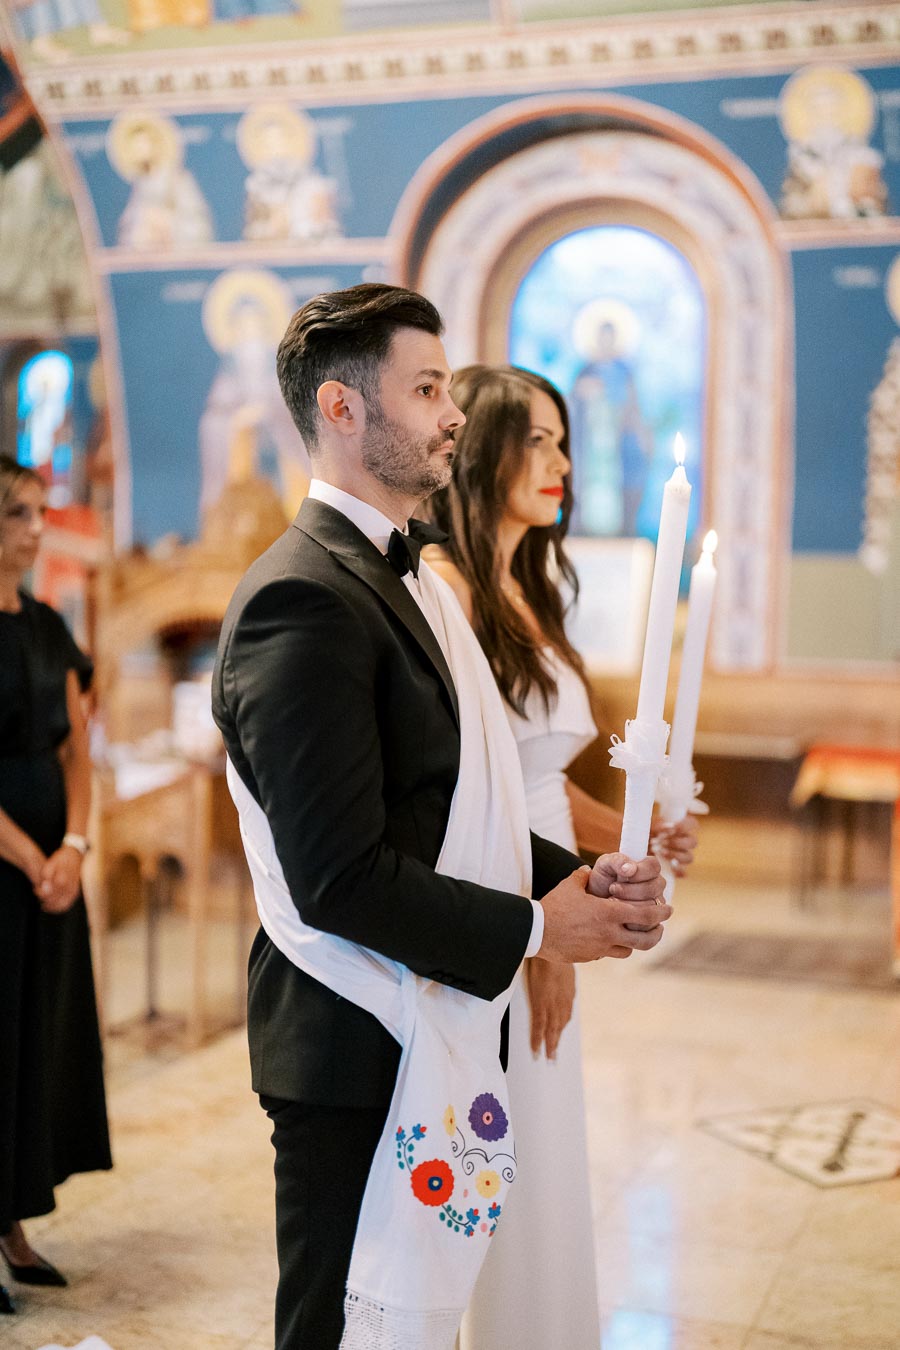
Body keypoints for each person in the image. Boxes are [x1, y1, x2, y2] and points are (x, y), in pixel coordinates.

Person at [211, 284, 672, 1350]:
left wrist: (577, 877)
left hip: (421, 1010)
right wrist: (535, 930)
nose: (453, 413)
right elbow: (338, 874)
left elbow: (454, 803)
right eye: (426, 390)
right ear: (342, 408)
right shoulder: (304, 598)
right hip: (352, 1032)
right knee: (343, 1327)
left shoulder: (413, 582)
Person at [425, 364, 697, 1349]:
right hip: (494, 910)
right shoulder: (445, 588)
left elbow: (539, 783)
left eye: (563, 440)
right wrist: (537, 937)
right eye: (535, 439)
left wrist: (635, 833)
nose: (562, 463)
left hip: (543, 896)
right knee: (489, 1163)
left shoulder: (524, 588)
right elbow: (464, 793)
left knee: (539, 1156)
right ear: (479, 446)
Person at [0, 454, 111, 1318]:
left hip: (50, 877)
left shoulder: (44, 626)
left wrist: (72, 844)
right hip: (6, 876)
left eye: (38, 510)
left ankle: (14, 1224)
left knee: (36, 1040)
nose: (35, 527)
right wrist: (25, 855)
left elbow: (76, 747)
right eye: (16, 513)